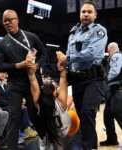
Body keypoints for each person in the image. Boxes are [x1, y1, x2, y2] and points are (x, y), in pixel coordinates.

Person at [59, 1, 108, 149]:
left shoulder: (99, 31)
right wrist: (63, 65)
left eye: (89, 12)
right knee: (82, 115)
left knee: (88, 112)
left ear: (95, 15)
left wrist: (67, 59)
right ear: (80, 14)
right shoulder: (73, 33)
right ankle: (92, 145)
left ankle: (87, 147)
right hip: (78, 80)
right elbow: (68, 54)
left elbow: (91, 52)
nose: (86, 14)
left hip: (94, 79)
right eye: (83, 11)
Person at [0, 9, 46, 149]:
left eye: (10, 20)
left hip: (32, 82)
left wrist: (37, 65)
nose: (7, 23)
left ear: (17, 20)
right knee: (14, 117)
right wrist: (18, 65)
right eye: (4, 21)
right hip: (14, 84)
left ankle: (46, 141)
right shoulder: (1, 43)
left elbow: (43, 54)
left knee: (35, 114)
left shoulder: (31, 36)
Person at [26, 51, 80, 149]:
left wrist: (30, 62)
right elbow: (63, 77)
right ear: (54, 94)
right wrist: (62, 66)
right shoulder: (61, 102)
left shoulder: (38, 103)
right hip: (65, 130)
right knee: (72, 107)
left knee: (44, 140)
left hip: (47, 131)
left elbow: (32, 79)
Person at [100, 42, 122, 146]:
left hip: (118, 90)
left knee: (118, 112)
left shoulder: (116, 56)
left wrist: (104, 81)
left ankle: (112, 139)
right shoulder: (114, 57)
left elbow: (115, 71)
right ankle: (112, 139)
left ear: (109, 51)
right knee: (107, 115)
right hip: (112, 91)